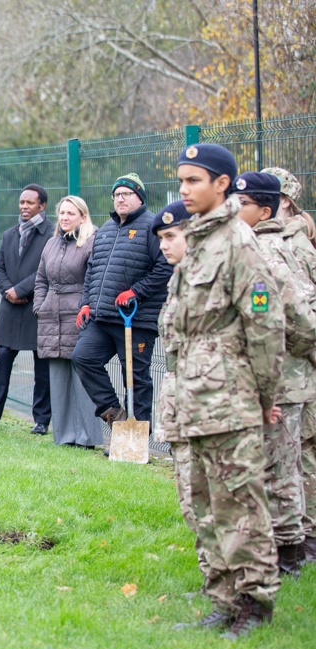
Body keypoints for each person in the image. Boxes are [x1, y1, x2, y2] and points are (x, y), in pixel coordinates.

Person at [170, 144, 283, 639]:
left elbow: (266, 326)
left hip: (231, 399)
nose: (184, 189)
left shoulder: (239, 242)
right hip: (196, 399)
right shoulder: (199, 241)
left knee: (241, 505)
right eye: (181, 181)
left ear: (222, 184)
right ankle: (222, 598)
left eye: (194, 180)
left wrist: (263, 396)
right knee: (208, 506)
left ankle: (255, 603)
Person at [234, 170, 316, 577]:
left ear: (265, 210)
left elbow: (300, 317)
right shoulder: (256, 244)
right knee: (282, 465)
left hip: (282, 379)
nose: (234, 209)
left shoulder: (265, 251)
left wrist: (300, 354)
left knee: (280, 468)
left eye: (242, 203)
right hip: (276, 377)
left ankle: (291, 554)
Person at [72, 173, 169, 443]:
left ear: (140, 198)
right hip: (102, 317)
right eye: (116, 194)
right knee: (83, 357)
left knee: (135, 380)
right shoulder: (105, 230)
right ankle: (115, 414)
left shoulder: (152, 227)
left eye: (127, 194)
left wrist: (136, 291)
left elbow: (165, 268)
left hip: (135, 320)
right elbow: (92, 270)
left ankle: (136, 441)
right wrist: (86, 303)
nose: (120, 199)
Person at [152, 201, 211, 586]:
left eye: (171, 236)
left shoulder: (219, 272)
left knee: (216, 501)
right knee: (192, 497)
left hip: (213, 402)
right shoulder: (180, 278)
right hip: (182, 398)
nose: (164, 245)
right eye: (161, 238)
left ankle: (240, 595)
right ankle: (215, 583)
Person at [264, 167, 316, 563]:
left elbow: (303, 309)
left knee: (301, 455)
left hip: (298, 366)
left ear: (283, 201)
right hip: (288, 365)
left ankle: (305, 538)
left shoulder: (296, 245)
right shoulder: (279, 240)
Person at [0, 184, 53, 432]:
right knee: (2, 360)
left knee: (42, 365)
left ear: (42, 206)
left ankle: (41, 420)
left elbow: (46, 269)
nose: (24, 207)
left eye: (30, 202)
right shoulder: (10, 234)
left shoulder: (52, 234)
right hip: (10, 307)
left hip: (38, 306)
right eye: (22, 202)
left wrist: (21, 290)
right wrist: (9, 291)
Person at [32, 195, 102, 448]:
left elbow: (95, 279)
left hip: (79, 315)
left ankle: (88, 437)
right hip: (51, 316)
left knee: (83, 377)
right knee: (58, 379)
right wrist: (40, 306)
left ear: (83, 217)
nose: (64, 218)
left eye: (71, 213)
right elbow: (41, 279)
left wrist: (87, 307)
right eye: (62, 213)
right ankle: (64, 436)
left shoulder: (92, 242)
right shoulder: (51, 244)